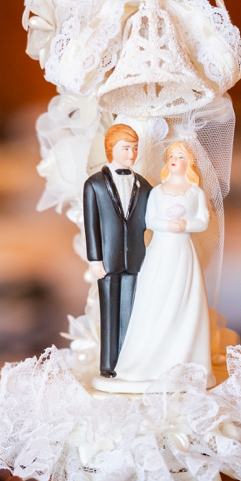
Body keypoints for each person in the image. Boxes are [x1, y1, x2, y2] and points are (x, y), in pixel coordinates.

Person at [112, 141, 212, 384]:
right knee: (156, 294)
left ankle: (183, 360)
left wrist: (186, 225)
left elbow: (203, 220)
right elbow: (150, 219)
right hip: (161, 250)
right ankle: (148, 360)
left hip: (183, 251)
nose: (175, 159)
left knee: (183, 296)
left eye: (180, 155)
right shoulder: (158, 191)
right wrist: (167, 225)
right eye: (172, 155)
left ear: (189, 163)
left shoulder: (195, 192)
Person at [82, 124, 153, 378]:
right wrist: (94, 258)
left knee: (131, 313)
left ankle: (129, 362)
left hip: (135, 259)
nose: (132, 155)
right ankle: (109, 365)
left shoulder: (144, 186)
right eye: (126, 149)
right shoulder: (94, 185)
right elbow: (91, 225)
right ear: (111, 149)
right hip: (107, 260)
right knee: (109, 312)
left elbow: (152, 218)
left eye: (135, 149)